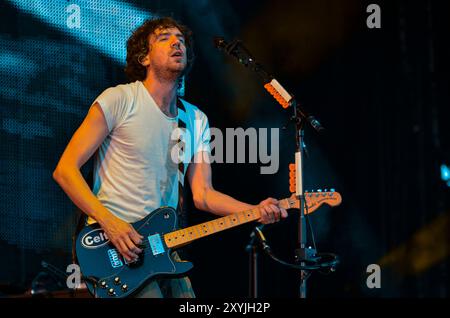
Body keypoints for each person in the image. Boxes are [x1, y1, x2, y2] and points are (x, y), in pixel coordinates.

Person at [53, 16, 287, 298]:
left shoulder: (195, 119)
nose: (177, 42)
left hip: (163, 249)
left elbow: (203, 194)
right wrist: (108, 221)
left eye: (181, 39)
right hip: (114, 244)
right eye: (164, 38)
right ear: (143, 57)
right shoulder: (119, 99)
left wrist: (253, 210)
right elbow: (65, 170)